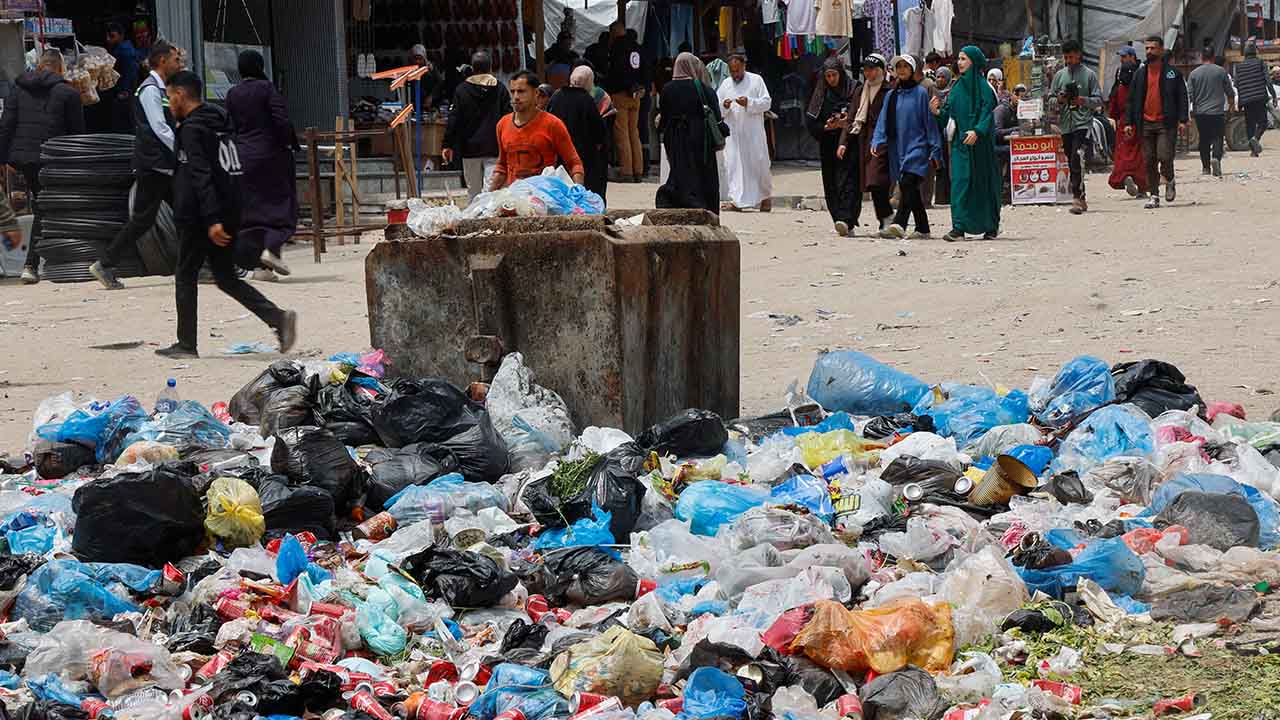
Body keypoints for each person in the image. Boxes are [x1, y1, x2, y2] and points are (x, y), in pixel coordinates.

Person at [158, 70, 296, 359]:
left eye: (170, 96)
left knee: (185, 274)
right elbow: (231, 169)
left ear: (181, 95)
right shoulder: (221, 123)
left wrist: (211, 219)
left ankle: (186, 344)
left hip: (202, 216)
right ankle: (278, 318)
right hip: (228, 209)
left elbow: (200, 175)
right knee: (225, 277)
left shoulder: (193, 130)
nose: (169, 103)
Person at [90, 40, 183, 290]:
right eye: (175, 59)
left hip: (163, 164)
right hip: (155, 165)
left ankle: (201, 265)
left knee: (187, 211)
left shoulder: (161, 88)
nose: (179, 63)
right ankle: (105, 263)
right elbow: (159, 128)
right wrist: (182, 148)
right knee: (144, 219)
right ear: (162, 61)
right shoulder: (150, 89)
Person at [0, 49, 85, 285]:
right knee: (45, 207)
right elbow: (77, 135)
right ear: (60, 68)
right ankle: (32, 264)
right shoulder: (68, 93)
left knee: (44, 205)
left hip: (23, 160)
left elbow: (6, 126)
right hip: (51, 158)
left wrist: (3, 160)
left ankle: (45, 261)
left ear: (39, 66)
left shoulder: (18, 90)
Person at [223, 50, 299, 278]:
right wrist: (290, 144)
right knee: (281, 207)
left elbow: (230, 125)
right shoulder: (267, 89)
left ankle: (260, 269)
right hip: (271, 157)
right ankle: (272, 250)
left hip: (243, 158)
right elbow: (281, 120)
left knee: (253, 212)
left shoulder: (232, 93)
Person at [931, 45, 1001, 240]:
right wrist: (937, 112)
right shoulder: (956, 88)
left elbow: (987, 114)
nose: (959, 63)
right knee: (960, 183)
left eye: (964, 59)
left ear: (974, 61)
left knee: (983, 184)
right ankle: (959, 227)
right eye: (959, 59)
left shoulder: (985, 89)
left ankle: (990, 225)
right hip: (961, 146)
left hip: (981, 147)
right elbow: (947, 115)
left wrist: (978, 131)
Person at [871, 55, 941, 239]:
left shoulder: (920, 94)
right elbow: (883, 120)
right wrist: (877, 140)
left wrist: (935, 149)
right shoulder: (891, 95)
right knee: (909, 187)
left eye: (905, 66)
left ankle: (899, 223)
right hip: (898, 148)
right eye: (898, 66)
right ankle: (923, 228)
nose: (901, 70)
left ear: (912, 70)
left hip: (918, 146)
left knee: (908, 182)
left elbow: (929, 123)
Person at [655, 52, 726, 211]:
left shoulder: (667, 89)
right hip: (700, 138)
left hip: (674, 139)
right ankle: (705, 209)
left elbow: (664, 118)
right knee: (703, 173)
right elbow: (716, 116)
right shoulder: (704, 89)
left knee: (680, 171)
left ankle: (680, 206)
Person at [490, 72, 585, 189]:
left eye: (521, 91)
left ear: (536, 93)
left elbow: (574, 163)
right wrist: (488, 198)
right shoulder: (502, 124)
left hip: (546, 198)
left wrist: (579, 192)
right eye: (512, 91)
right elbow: (502, 165)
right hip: (514, 199)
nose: (515, 97)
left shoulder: (553, 124)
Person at [1127, 35, 1188, 209]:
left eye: (1153, 48)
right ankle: (1154, 195)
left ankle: (1169, 179)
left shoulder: (1172, 73)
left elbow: (1182, 97)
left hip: (1165, 123)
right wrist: (1129, 123)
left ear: (1161, 50)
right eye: (1147, 48)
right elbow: (1131, 100)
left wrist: (1183, 120)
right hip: (1145, 123)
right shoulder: (1140, 74)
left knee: (1165, 156)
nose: (1149, 51)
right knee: (1149, 160)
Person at [443, 51, 511, 201]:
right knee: (491, 192)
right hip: (494, 147)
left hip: (469, 149)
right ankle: (489, 222)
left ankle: (473, 221)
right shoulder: (500, 89)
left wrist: (447, 145)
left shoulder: (462, 90)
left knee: (473, 191)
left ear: (472, 67)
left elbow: (454, 119)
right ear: (490, 67)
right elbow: (508, 118)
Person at [840, 54, 892, 234]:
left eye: (872, 69)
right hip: (859, 140)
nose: (869, 73)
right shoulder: (860, 91)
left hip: (881, 142)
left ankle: (886, 218)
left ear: (882, 71)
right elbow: (852, 117)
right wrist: (843, 142)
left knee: (876, 180)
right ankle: (849, 221)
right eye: (866, 70)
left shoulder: (889, 91)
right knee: (854, 181)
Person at [1050, 38, 1102, 215]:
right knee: (1071, 161)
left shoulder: (1089, 75)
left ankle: (1077, 198)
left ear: (1079, 55)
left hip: (1083, 124)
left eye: (1071, 57)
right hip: (1065, 125)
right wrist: (1059, 100)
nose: (1068, 61)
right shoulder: (1059, 76)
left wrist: (1082, 101)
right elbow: (1049, 99)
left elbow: (1098, 100)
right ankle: (1082, 196)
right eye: (1066, 57)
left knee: (1076, 158)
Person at [716, 51, 772, 212]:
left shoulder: (756, 80)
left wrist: (749, 102)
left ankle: (765, 198)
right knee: (734, 166)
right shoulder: (726, 84)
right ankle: (737, 200)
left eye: (738, 70)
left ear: (744, 66)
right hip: (733, 135)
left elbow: (766, 103)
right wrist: (724, 106)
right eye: (732, 71)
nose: (735, 74)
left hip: (753, 133)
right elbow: (717, 107)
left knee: (759, 164)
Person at [807, 57, 857, 235]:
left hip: (849, 142)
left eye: (834, 75)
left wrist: (846, 124)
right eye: (827, 76)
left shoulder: (853, 88)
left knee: (848, 181)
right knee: (831, 183)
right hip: (828, 144)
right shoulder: (821, 92)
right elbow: (811, 121)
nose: (831, 79)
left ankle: (847, 218)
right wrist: (826, 127)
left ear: (841, 73)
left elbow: (860, 114)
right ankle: (838, 219)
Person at [548, 66, 609, 200]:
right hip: (585, 157)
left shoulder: (557, 96)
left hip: (560, 156)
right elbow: (599, 130)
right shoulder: (586, 100)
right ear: (588, 83)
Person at [605, 23, 647, 182]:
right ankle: (638, 170)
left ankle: (626, 172)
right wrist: (642, 87)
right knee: (634, 132)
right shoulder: (638, 47)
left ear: (614, 33)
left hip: (620, 94)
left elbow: (615, 70)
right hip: (636, 95)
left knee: (622, 133)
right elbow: (645, 69)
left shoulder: (617, 47)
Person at [1187, 46, 1235, 177]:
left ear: (1202, 57)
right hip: (1217, 112)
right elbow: (1229, 92)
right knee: (1218, 137)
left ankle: (1206, 167)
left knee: (1204, 139)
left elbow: (1189, 95)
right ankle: (1216, 159)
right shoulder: (1221, 71)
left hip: (1200, 113)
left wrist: (1187, 114)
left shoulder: (1194, 73)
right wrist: (1231, 106)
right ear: (1213, 57)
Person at [1108, 47, 1149, 198]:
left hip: (1124, 124)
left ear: (1132, 57)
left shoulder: (1120, 88)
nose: (1122, 59)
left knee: (1122, 154)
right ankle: (1143, 187)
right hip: (1140, 122)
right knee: (1141, 155)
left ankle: (1125, 176)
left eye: (1124, 57)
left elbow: (1113, 107)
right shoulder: (1142, 81)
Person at [1233, 41, 1275, 156]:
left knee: (1250, 124)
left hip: (1246, 99)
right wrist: (1274, 96)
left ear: (1245, 53)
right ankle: (1255, 139)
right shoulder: (1261, 63)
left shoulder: (1239, 66)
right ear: (1255, 52)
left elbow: (1236, 83)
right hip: (1260, 97)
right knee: (1263, 122)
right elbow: (1268, 81)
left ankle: (1253, 151)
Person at [105, 22, 141, 133]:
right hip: (123, 89)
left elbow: (130, 72)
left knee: (125, 120)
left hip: (125, 90)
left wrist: (124, 90)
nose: (108, 39)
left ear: (121, 35)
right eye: (107, 36)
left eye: (112, 36)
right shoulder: (120, 49)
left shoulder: (125, 51)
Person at [992, 83, 1022, 197]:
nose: (1020, 100)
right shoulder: (1002, 110)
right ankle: (1006, 186)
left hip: (1010, 143)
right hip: (997, 146)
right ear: (1013, 95)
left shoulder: (1019, 110)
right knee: (1013, 152)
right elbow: (996, 132)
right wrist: (1015, 129)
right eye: (1019, 96)